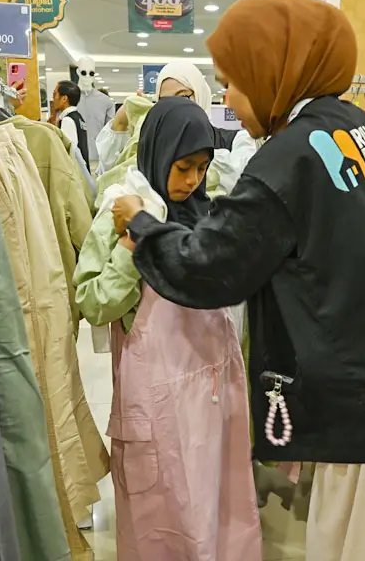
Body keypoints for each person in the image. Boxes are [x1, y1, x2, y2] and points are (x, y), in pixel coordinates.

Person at [112, 0, 365, 561]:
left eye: (233, 81)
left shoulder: (286, 161)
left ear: (272, 70)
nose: (229, 102)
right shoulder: (355, 126)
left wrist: (140, 225)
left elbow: (209, 268)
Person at [73, 97, 261, 561]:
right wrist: (133, 247)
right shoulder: (120, 210)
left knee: (218, 511)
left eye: (202, 167)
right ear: (158, 153)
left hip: (215, 402)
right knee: (166, 522)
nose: (192, 180)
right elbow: (93, 303)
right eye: (183, 167)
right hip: (159, 414)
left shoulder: (210, 212)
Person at [94, 61, 257, 194]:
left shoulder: (235, 140)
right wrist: (120, 123)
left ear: (200, 94)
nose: (176, 106)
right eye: (165, 101)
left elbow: (243, 178)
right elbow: (109, 176)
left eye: (184, 97)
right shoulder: (150, 141)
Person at [49, 80, 89, 161]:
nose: (53, 99)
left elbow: (68, 152)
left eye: (54, 94)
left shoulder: (68, 120)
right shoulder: (78, 117)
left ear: (64, 98)